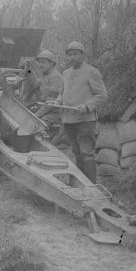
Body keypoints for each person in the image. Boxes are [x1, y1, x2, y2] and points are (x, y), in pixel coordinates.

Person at [51, 41, 107, 183]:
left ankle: (92, 189)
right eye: (69, 55)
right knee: (76, 153)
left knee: (86, 153)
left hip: (85, 121)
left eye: (75, 54)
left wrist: (87, 106)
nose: (72, 57)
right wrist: (57, 102)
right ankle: (80, 185)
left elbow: (102, 95)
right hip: (69, 120)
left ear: (83, 55)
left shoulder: (92, 72)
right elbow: (62, 94)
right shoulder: (65, 73)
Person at [32, 49, 63, 129]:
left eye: (43, 62)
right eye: (39, 62)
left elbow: (50, 104)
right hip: (44, 110)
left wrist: (35, 115)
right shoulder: (44, 76)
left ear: (51, 63)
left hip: (54, 114)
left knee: (35, 128)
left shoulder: (56, 78)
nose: (40, 65)